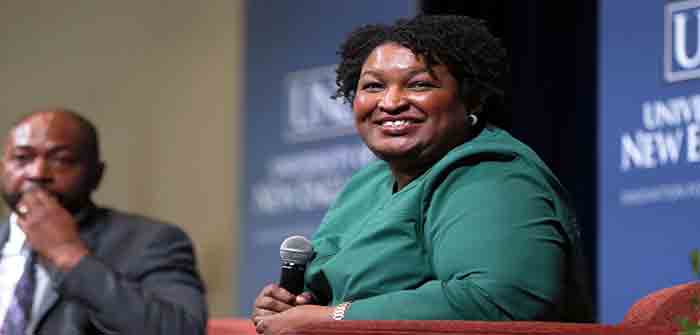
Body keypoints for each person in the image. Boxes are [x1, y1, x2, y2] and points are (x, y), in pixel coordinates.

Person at [251, 14, 593, 334]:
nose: (391, 101)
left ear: (470, 100)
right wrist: (289, 305)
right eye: (373, 87)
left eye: (418, 85)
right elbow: (322, 293)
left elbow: (500, 298)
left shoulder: (493, 175)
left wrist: (334, 318)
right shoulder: (366, 183)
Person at [0, 108, 207, 335]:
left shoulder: (151, 242)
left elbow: (181, 331)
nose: (38, 172)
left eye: (62, 160)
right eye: (22, 157)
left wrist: (68, 255)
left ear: (96, 175)